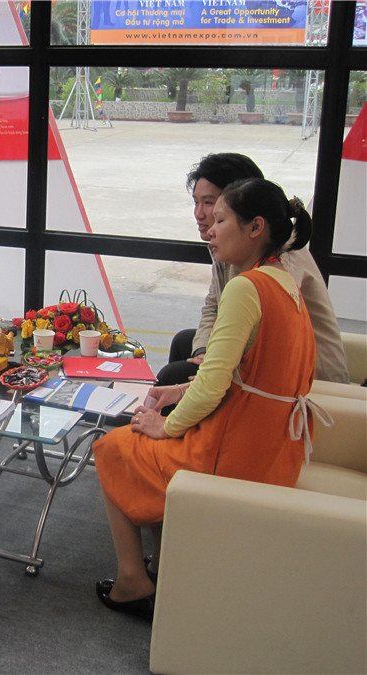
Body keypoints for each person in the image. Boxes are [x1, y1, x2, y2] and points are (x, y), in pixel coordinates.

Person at [92, 178, 331, 621]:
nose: (210, 230)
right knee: (147, 441)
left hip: (240, 452)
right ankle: (164, 565)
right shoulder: (284, 283)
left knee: (113, 446)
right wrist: (178, 391)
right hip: (280, 448)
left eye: (220, 219)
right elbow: (250, 376)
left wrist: (168, 424)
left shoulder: (246, 287)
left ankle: (132, 580)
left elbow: (214, 384)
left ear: (255, 227)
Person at [157, 153, 348, 387]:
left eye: (209, 203)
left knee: (174, 376)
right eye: (196, 202)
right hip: (257, 359)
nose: (199, 214)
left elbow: (271, 338)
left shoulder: (281, 257)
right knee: (184, 342)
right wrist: (203, 351)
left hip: (302, 376)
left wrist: (215, 363)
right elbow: (213, 307)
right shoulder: (231, 246)